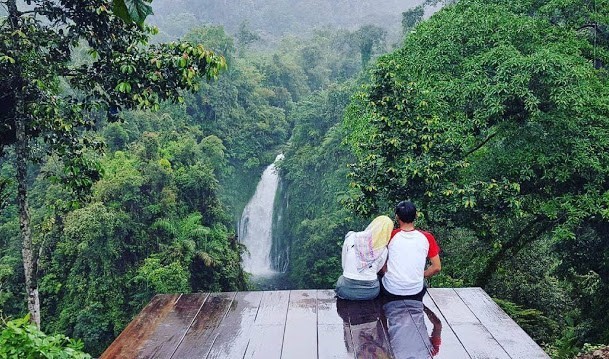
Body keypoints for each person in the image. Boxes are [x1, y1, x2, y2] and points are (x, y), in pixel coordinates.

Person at [380, 200, 441, 301]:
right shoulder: (427, 237)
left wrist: (385, 270)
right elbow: (437, 267)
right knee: (422, 284)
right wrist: (420, 275)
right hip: (415, 291)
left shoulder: (390, 236)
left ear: (397, 217)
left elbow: (380, 260)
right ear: (416, 215)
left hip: (391, 290)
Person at [335, 215, 394, 300]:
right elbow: (377, 270)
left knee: (341, 279)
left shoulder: (352, 238)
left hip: (346, 290)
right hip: (371, 293)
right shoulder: (384, 251)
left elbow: (344, 263)